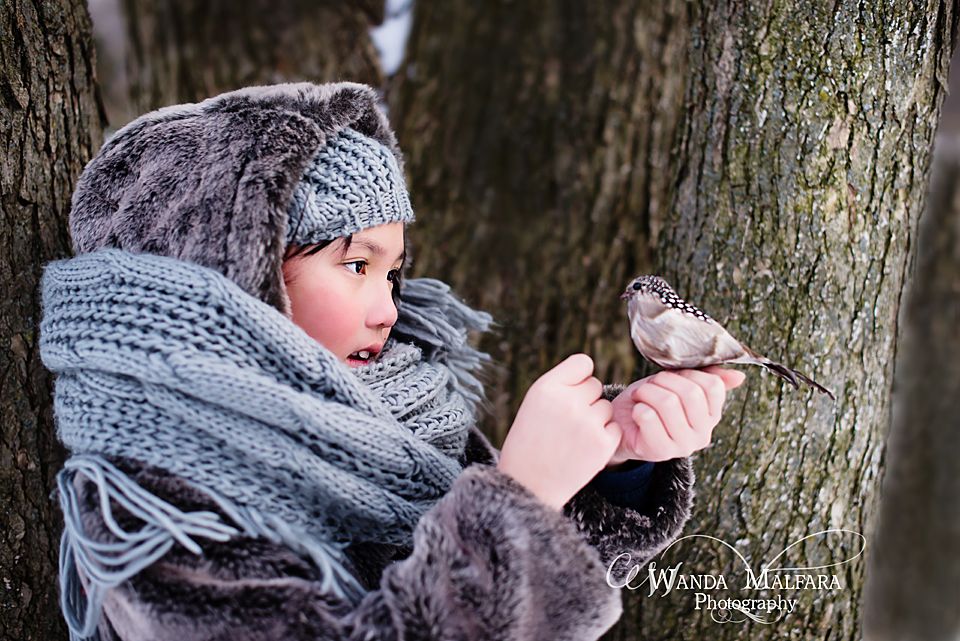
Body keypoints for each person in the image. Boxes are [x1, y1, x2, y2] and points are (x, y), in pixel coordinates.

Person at [39, 81, 744, 641]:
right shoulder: (157, 511)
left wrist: (616, 469)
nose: (388, 310)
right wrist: (521, 497)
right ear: (233, 270)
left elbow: (536, 602)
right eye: (354, 264)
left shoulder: (401, 418)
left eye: (394, 275)